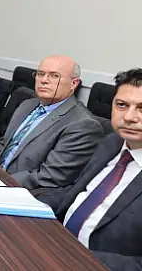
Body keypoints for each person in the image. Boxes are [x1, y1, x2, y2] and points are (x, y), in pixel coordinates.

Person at [37, 68, 142, 270]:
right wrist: (25, 203)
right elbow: (77, 192)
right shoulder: (111, 143)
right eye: (121, 105)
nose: (129, 117)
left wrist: (75, 256)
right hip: (52, 245)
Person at [0, 56, 104, 191]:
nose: (44, 80)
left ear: (74, 83)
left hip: (21, 190)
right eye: (40, 74)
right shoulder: (27, 104)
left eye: (54, 76)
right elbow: (3, 144)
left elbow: (49, 176)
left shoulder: (83, 124)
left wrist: (0, 182)